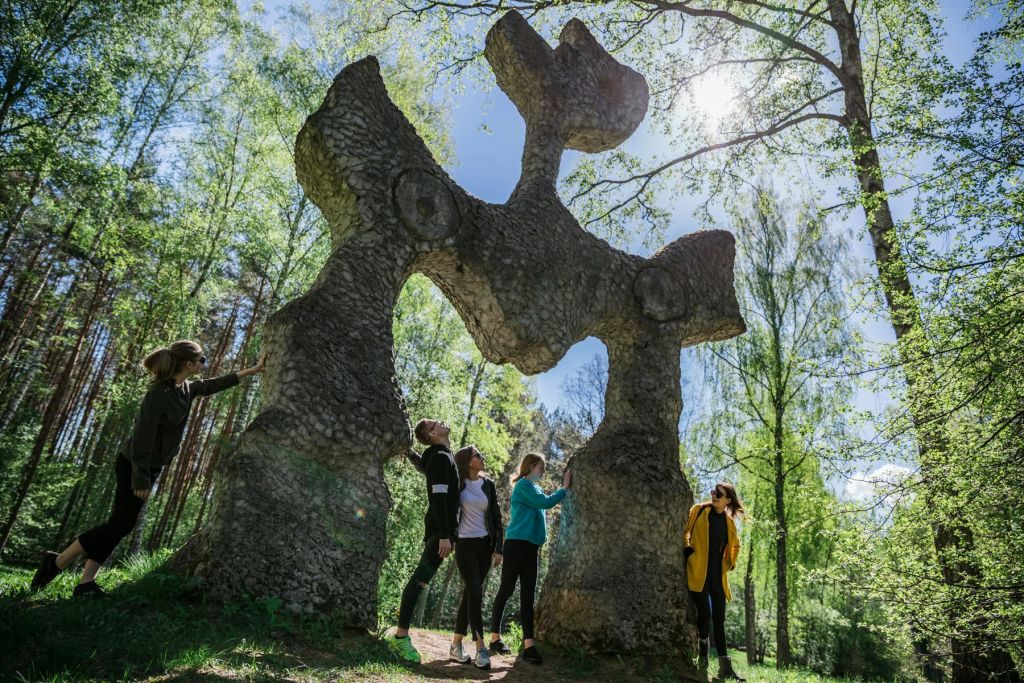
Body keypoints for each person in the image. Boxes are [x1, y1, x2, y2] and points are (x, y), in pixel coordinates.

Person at [30, 340, 266, 596]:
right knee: (120, 525)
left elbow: (212, 385)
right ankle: (57, 562)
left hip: (149, 467)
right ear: (188, 364)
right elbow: (142, 438)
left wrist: (253, 370)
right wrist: (140, 479)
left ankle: (85, 583)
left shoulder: (185, 388)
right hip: (133, 465)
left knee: (121, 523)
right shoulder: (158, 395)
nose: (204, 364)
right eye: (202, 359)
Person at [389, 418, 460, 664]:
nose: (440, 422)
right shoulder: (440, 457)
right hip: (439, 534)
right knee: (419, 580)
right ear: (431, 434)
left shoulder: (439, 456)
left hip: (441, 532)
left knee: (420, 580)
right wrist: (444, 535)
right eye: (435, 423)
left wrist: (409, 452)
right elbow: (437, 498)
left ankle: (400, 635)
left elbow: (425, 467)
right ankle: (400, 638)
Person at [489, 452, 571, 665]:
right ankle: (495, 637)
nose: (543, 470)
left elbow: (542, 502)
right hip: (516, 545)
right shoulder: (524, 486)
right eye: (541, 467)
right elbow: (544, 503)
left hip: (531, 548)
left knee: (528, 596)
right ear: (532, 466)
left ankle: (529, 646)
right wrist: (564, 488)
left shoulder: (536, 487)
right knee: (506, 589)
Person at [448, 445, 504, 670]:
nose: (482, 458)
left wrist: (498, 548)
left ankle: (455, 645)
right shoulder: (457, 483)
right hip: (464, 545)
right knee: (475, 592)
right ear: (469, 461)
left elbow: (497, 518)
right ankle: (480, 648)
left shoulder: (488, 485)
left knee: (470, 595)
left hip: (484, 545)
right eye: (478, 455)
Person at [685, 481, 746, 681]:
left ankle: (725, 668)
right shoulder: (699, 510)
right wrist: (688, 553)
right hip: (698, 572)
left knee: (719, 620)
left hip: (717, 576)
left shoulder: (728, 522)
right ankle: (703, 652)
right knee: (705, 614)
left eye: (719, 494)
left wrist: (730, 562)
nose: (714, 496)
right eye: (713, 492)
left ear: (728, 500)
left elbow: (735, 545)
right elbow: (686, 531)